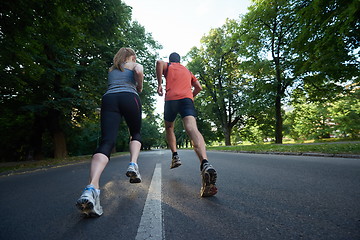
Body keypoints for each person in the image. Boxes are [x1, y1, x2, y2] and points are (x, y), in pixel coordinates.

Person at [76, 47, 144, 217]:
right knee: (135, 132)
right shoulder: (133, 64)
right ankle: (133, 164)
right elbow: (139, 71)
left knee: (107, 142)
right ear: (132, 57)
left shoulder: (112, 69)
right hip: (129, 96)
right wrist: (139, 86)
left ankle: (91, 188)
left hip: (109, 99)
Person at [156, 52, 217, 197]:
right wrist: (191, 96)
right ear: (180, 60)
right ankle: (205, 162)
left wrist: (159, 84)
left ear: (171, 60)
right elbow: (199, 87)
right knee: (192, 128)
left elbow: (159, 62)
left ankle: (175, 155)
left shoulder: (169, 66)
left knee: (169, 127)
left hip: (171, 99)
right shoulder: (187, 71)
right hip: (186, 100)